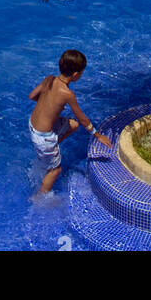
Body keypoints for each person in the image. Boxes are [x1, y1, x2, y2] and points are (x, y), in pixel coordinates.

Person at [28, 49, 111, 194]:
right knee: (55, 170)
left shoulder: (49, 79)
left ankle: (48, 152)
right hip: (43, 137)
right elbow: (83, 119)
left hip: (33, 125)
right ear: (75, 75)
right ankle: (39, 200)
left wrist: (47, 106)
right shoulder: (68, 94)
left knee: (73, 125)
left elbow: (32, 96)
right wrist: (98, 136)